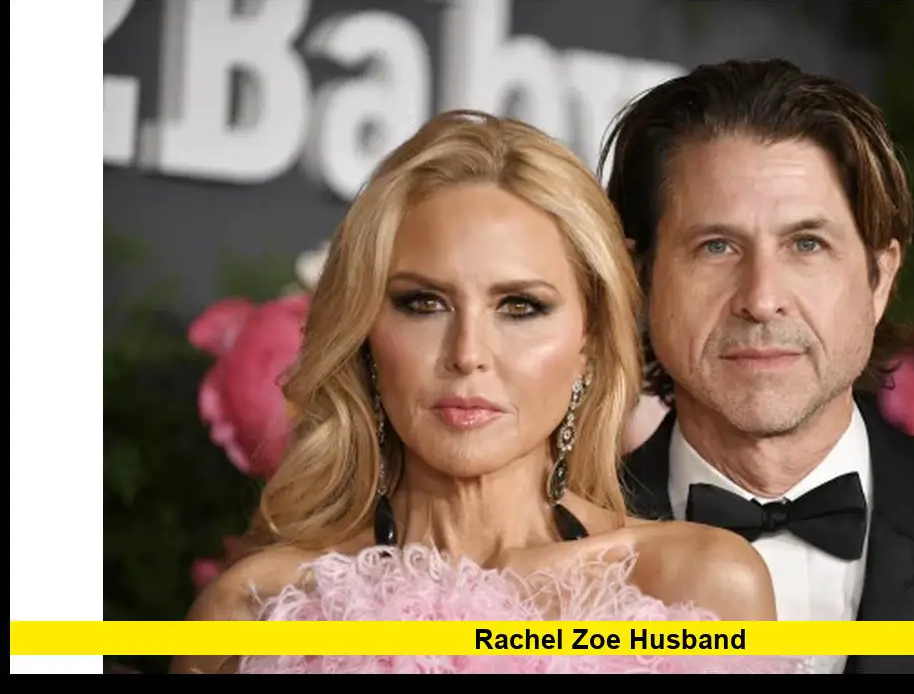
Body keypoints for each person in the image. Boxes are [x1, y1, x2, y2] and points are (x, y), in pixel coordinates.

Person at [170, 110, 801, 676]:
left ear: (588, 340)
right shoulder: (256, 609)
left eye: (520, 307)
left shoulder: (695, 588)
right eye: (424, 303)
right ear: (365, 334)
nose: (468, 353)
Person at [601, 59, 914, 675]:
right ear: (639, 278)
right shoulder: (552, 548)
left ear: (880, 279)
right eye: (717, 246)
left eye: (807, 245)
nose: (762, 297)